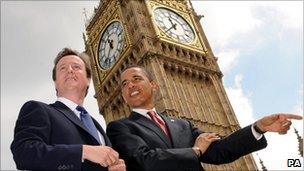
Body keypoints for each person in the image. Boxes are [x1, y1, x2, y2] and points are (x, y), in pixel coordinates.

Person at [106, 66, 302, 171]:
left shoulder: (182, 125)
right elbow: (145, 161)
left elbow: (220, 151)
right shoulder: (120, 127)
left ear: (154, 85)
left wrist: (258, 128)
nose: (130, 85)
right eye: (124, 84)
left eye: (136, 79)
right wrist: (196, 150)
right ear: (122, 95)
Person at [11, 48, 126, 171]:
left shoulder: (97, 127)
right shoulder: (38, 109)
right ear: (55, 82)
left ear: (88, 80)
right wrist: (84, 151)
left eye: (76, 67)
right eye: (63, 68)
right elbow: (24, 152)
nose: (70, 70)